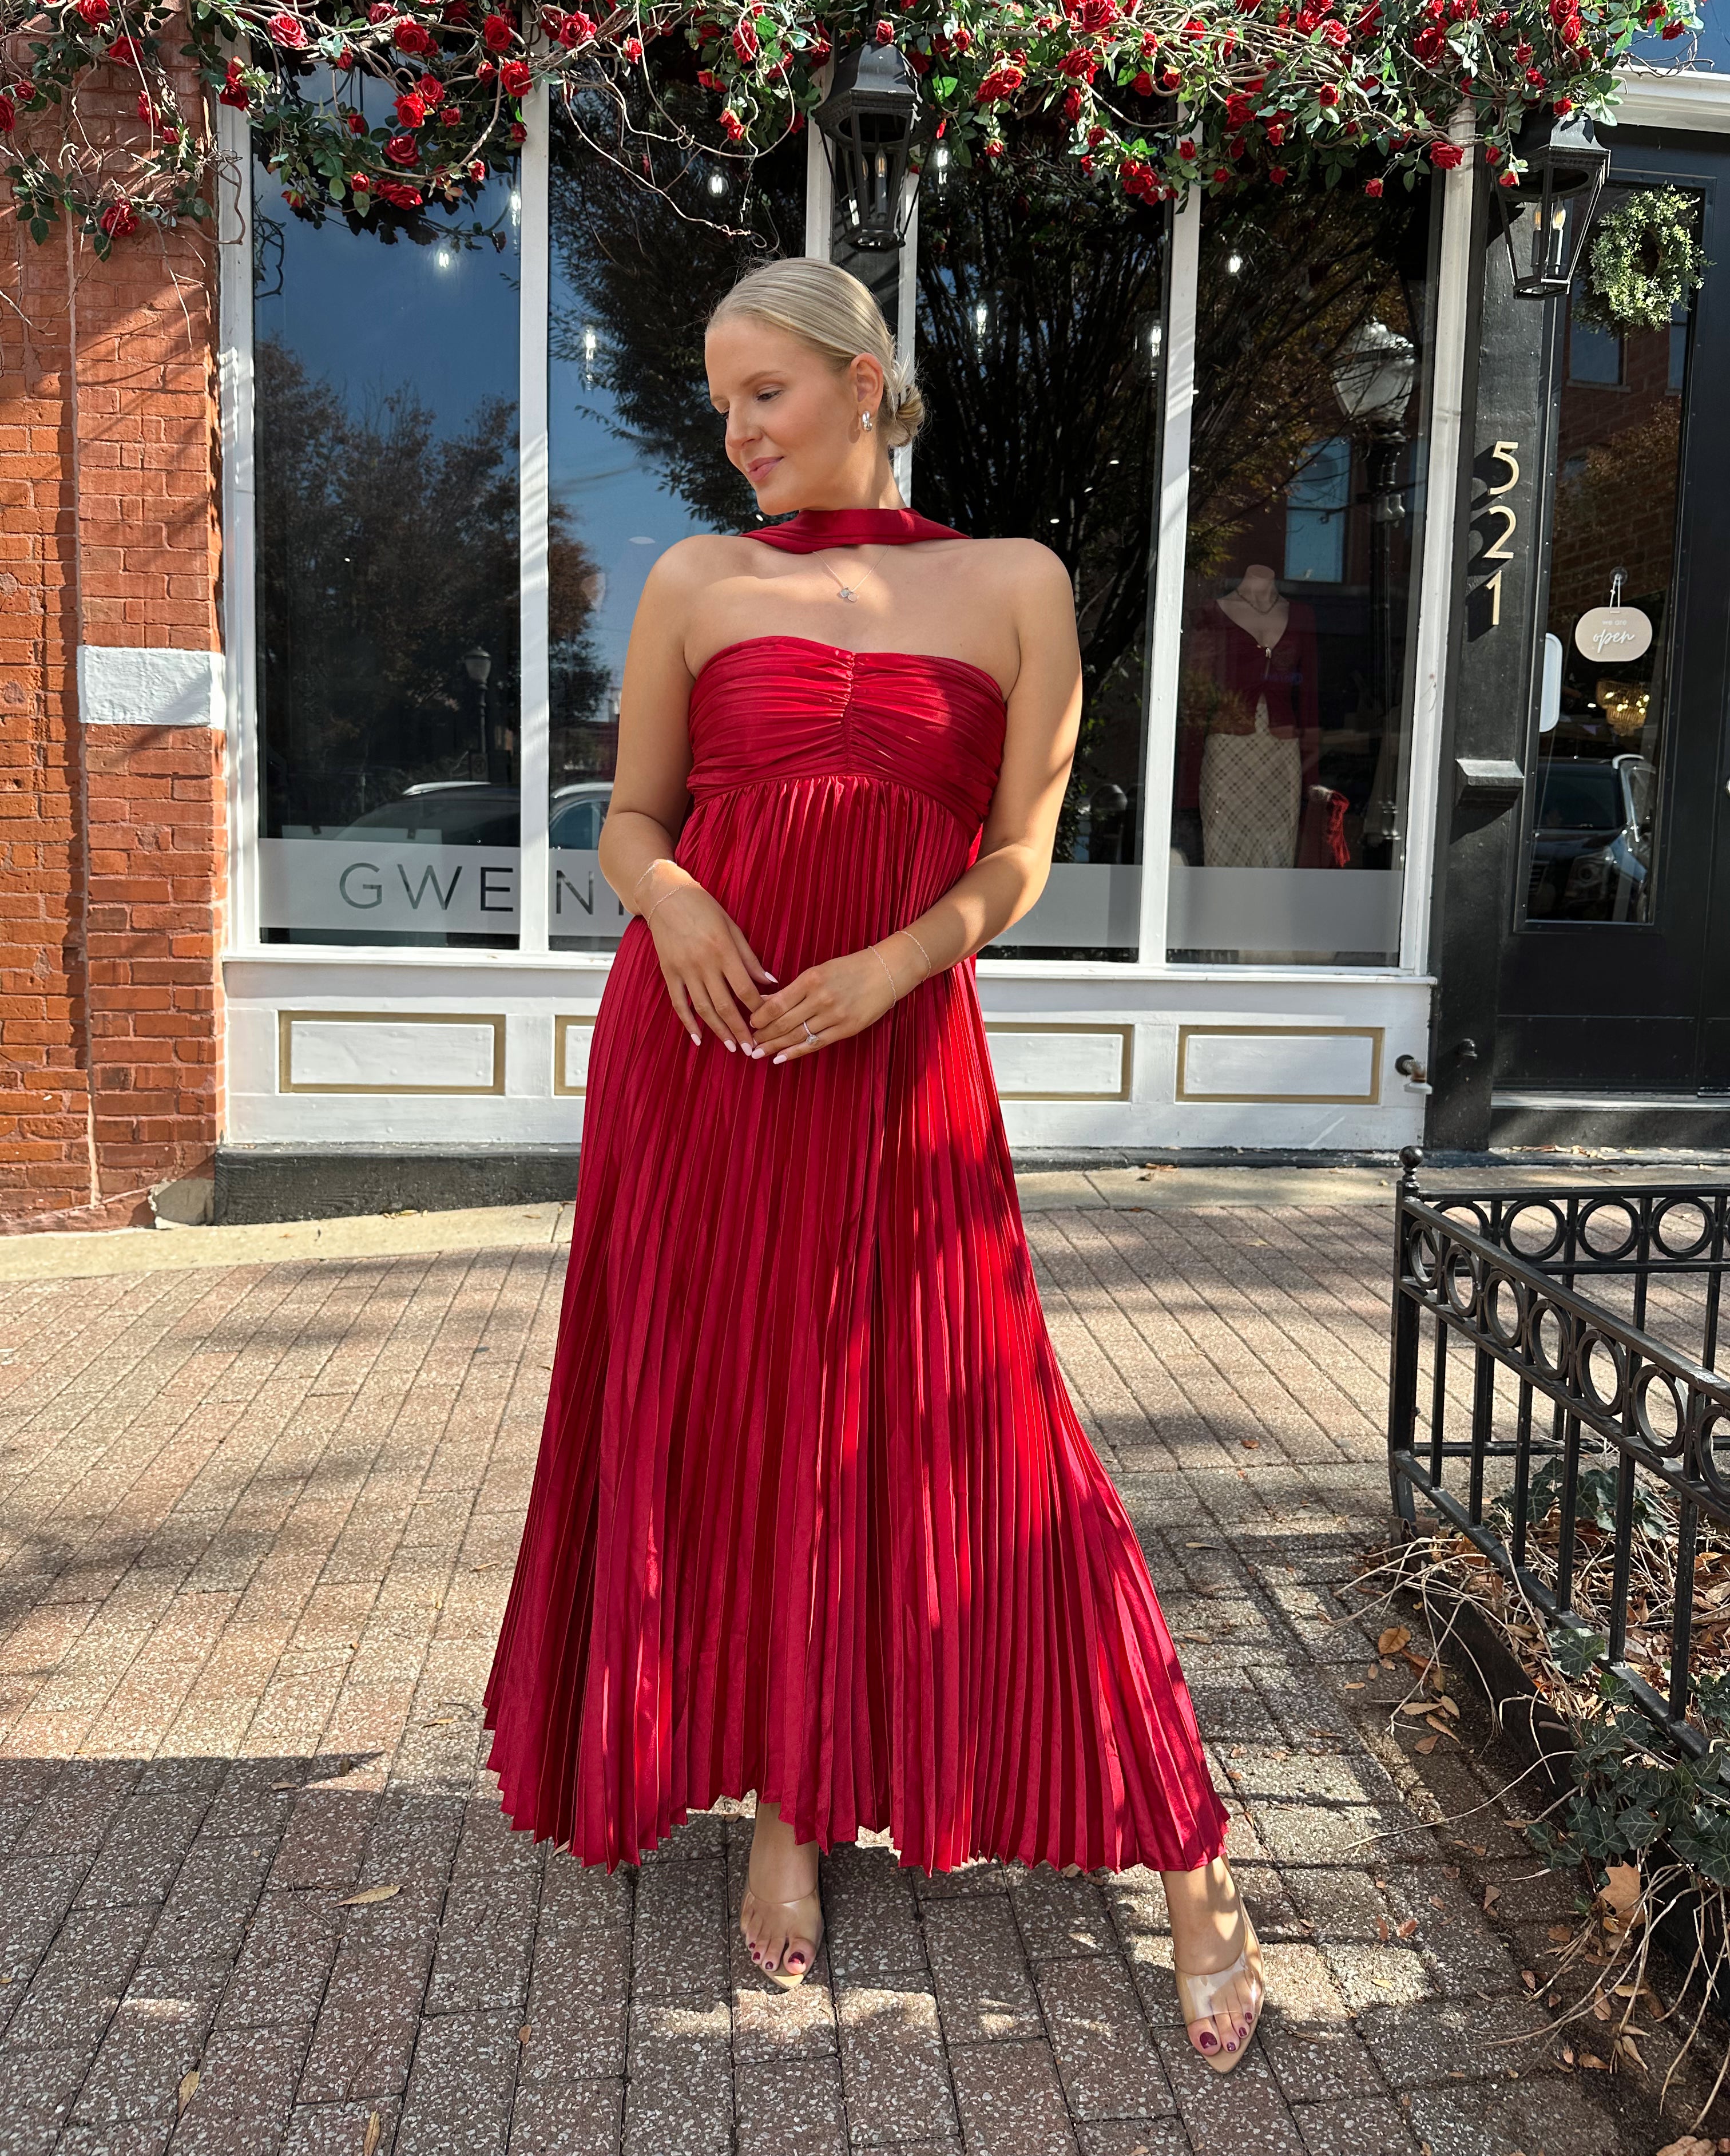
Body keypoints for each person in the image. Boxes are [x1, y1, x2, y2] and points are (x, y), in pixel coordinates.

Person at [481, 257, 1265, 2071]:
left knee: (990, 1429)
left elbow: (1023, 852)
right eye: (719, 400)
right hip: (701, 1057)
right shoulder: (693, 580)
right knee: (738, 1410)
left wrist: (908, 958)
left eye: (763, 392)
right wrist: (671, 899)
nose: (734, 430)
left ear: (860, 378)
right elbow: (631, 821)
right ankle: (783, 1797)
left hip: (898, 1060)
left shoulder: (1014, 584)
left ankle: (1187, 1845)